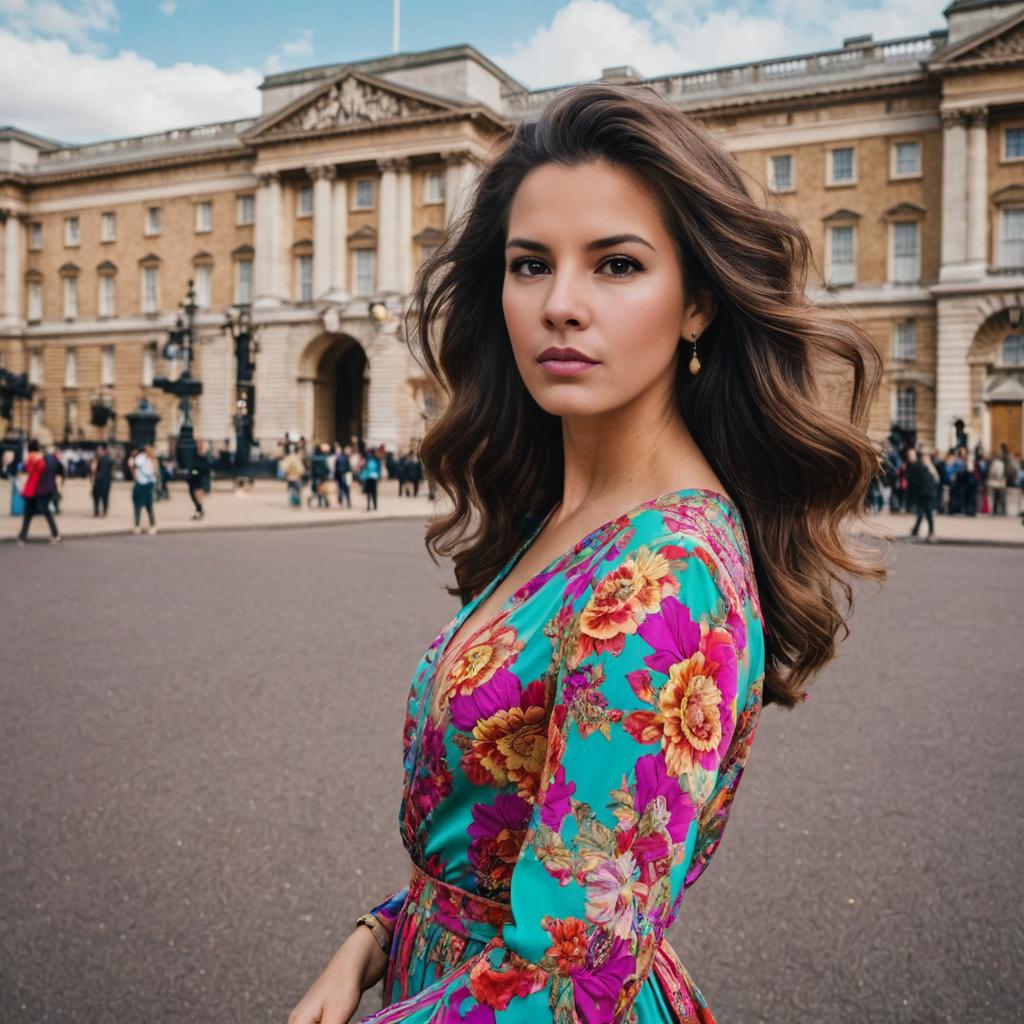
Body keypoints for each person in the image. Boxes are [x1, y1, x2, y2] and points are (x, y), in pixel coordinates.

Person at [289, 85, 885, 1024]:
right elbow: (497, 828)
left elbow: (571, 973)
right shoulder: (568, 516)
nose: (560, 305)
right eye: (531, 265)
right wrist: (374, 939)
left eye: (615, 264)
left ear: (696, 304)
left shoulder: (668, 577)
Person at [16, 439, 61, 545]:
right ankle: (23, 536)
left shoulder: (34, 459)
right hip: (38, 490)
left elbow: (28, 469)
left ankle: (23, 536)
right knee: (39, 513)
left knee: (30, 514)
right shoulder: (40, 459)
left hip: (32, 490)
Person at [906, 447, 938, 542]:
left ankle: (930, 532)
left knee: (927, 514)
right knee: (921, 513)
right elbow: (915, 480)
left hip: (927, 494)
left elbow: (934, 480)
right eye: (923, 455)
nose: (925, 457)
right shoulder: (919, 466)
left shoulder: (928, 467)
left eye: (926, 455)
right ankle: (916, 531)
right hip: (922, 493)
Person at [130, 444, 157, 534]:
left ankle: (152, 525)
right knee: (137, 506)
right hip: (140, 483)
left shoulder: (152, 460)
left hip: (148, 484)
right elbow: (138, 466)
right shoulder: (141, 458)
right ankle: (137, 525)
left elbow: (153, 473)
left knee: (149, 506)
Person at [188, 439, 213, 520]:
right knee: (193, 495)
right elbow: (193, 468)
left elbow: (204, 468)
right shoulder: (195, 455)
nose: (200, 447)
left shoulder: (205, 456)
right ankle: (199, 511)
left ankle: (199, 511)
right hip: (194, 479)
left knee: (198, 497)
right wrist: (194, 471)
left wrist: (196, 471)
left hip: (201, 479)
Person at [90, 443, 114, 517]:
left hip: (98, 481)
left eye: (99, 450)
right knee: (105, 497)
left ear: (103, 450)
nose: (98, 452)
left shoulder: (97, 459)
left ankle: (97, 511)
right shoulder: (110, 459)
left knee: (96, 497)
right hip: (106, 481)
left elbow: (93, 470)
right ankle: (104, 511)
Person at [360, 446, 381, 511]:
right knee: (373, 492)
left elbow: (363, 468)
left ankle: (369, 506)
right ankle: (374, 506)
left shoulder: (366, 459)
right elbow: (378, 469)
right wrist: (379, 476)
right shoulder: (376, 459)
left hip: (368, 477)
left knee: (368, 492)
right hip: (374, 477)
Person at [987, 447, 1006, 516]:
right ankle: (999, 511)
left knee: (995, 497)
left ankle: (995, 510)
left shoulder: (994, 463)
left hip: (994, 482)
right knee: (999, 497)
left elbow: (991, 472)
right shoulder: (1000, 463)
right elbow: (999, 473)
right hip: (998, 482)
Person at [334, 444, 352, 508]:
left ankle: (342, 502)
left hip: (341, 475)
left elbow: (336, 468)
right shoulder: (345, 457)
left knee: (342, 489)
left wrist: (335, 477)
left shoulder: (339, 458)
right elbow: (349, 467)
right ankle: (347, 502)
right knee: (346, 489)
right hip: (345, 475)